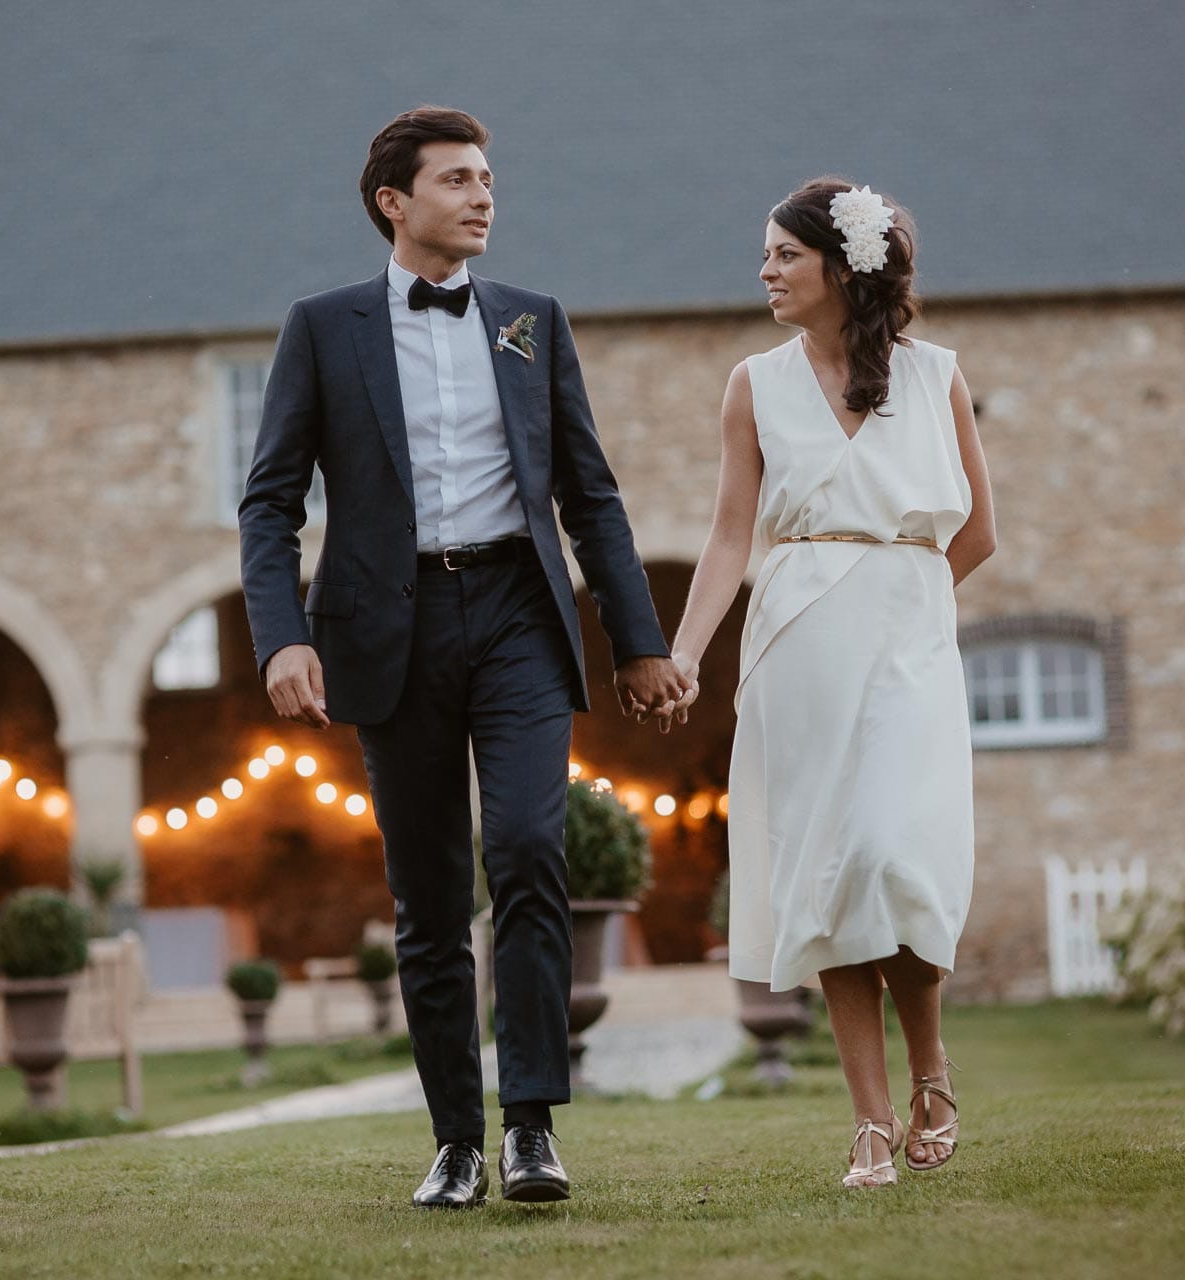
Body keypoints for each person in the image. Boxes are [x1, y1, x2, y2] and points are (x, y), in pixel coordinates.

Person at [236, 106, 689, 1208]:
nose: (483, 195)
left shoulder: (530, 321)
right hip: (387, 631)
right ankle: (454, 1139)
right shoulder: (322, 325)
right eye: (456, 179)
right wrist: (280, 635)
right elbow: (269, 498)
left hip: (516, 615)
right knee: (428, 894)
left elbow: (590, 493)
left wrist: (638, 640)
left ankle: (530, 1123)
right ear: (394, 202)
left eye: (487, 177)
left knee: (531, 848)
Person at [665, 177, 996, 1189]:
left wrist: (897, 603)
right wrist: (683, 652)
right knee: (828, 870)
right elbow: (728, 536)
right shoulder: (750, 384)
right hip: (794, 644)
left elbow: (978, 532)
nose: (763, 271)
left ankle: (931, 1065)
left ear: (841, 266)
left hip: (904, 636)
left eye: (781, 255)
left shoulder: (935, 374)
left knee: (893, 855)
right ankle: (868, 1117)